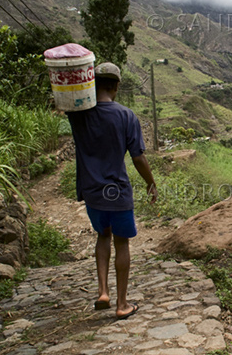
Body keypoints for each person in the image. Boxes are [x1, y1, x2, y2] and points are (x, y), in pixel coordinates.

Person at [67, 62, 157, 320]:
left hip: (91, 191)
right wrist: (150, 183)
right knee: (122, 242)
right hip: (117, 191)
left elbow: (63, 101)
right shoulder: (126, 116)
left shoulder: (79, 114)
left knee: (102, 236)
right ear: (117, 85)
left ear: (93, 84)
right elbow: (138, 157)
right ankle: (121, 304)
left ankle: (103, 291)